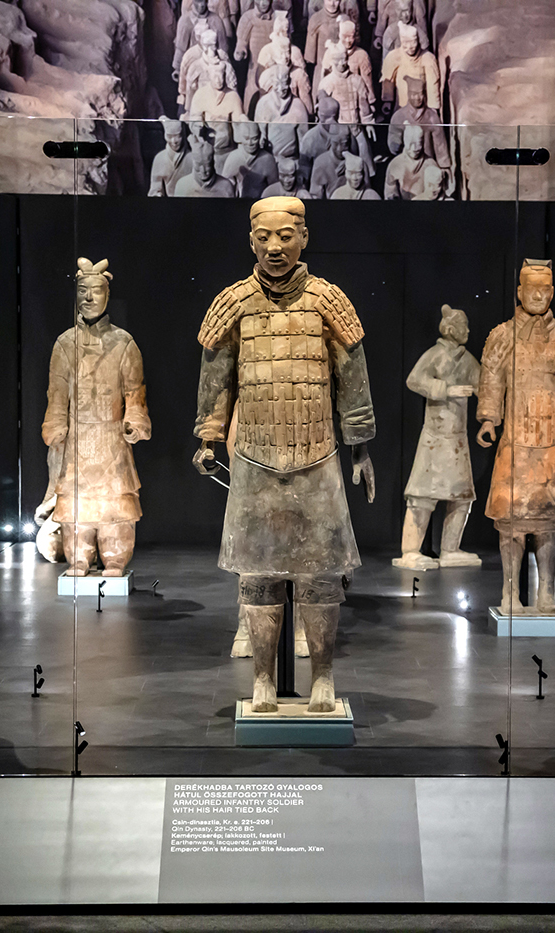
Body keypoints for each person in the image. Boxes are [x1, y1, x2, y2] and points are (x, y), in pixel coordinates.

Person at [193, 196, 376, 713]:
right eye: (264, 237)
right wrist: (208, 437)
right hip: (254, 455)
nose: (275, 247)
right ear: (251, 241)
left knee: (321, 577)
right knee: (257, 577)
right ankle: (263, 680)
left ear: (304, 238)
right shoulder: (232, 303)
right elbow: (216, 380)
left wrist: (361, 449)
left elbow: (353, 382)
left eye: (286, 236)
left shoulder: (328, 302)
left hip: (317, 454)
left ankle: (323, 677)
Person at [478, 261, 555, 615]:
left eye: (545, 289)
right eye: (532, 289)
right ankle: (510, 594)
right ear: (519, 292)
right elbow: (491, 380)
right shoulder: (501, 336)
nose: (538, 296)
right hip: (515, 441)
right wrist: (488, 419)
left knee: (549, 524)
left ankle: (546, 595)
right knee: (511, 523)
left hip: (552, 442)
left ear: (552, 292)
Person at [37, 258, 150, 578]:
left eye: (96, 290)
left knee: (115, 505)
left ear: (107, 295)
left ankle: (115, 559)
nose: (88, 297)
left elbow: (135, 391)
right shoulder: (65, 343)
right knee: (77, 508)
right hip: (77, 441)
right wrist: (55, 424)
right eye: (82, 290)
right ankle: (79, 559)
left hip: (112, 439)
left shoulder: (124, 342)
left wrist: (135, 421)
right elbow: (56, 393)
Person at [394, 304, 481, 570]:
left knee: (462, 495)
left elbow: (485, 387)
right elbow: (414, 380)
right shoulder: (435, 354)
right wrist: (447, 390)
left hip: (458, 438)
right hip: (434, 436)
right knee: (423, 495)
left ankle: (450, 549)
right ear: (451, 329)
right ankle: (410, 551)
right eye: (464, 326)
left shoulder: (467, 359)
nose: (468, 331)